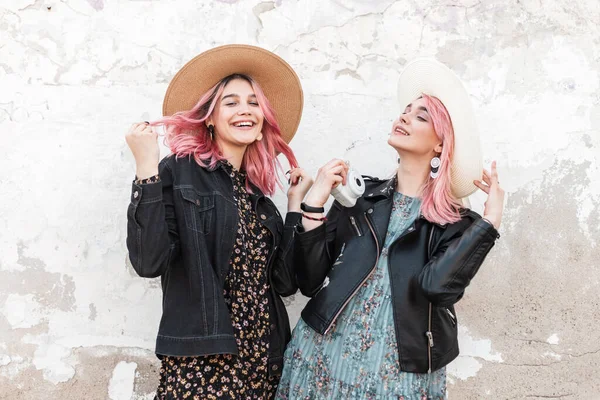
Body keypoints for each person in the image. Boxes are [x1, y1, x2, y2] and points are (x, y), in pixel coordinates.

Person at [275, 58, 505, 399]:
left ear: (441, 145)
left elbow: (438, 288)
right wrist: (314, 205)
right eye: (405, 111)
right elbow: (309, 283)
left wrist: (489, 223)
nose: (404, 117)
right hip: (321, 361)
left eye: (421, 115)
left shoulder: (459, 225)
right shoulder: (360, 199)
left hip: (398, 376)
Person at [125, 44, 312, 400]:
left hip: (262, 362)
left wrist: (293, 207)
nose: (246, 110)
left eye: (254, 103)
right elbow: (149, 262)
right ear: (209, 118)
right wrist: (146, 170)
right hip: (203, 365)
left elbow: (285, 284)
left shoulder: (257, 197)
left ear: (262, 124)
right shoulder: (180, 172)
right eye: (232, 102)